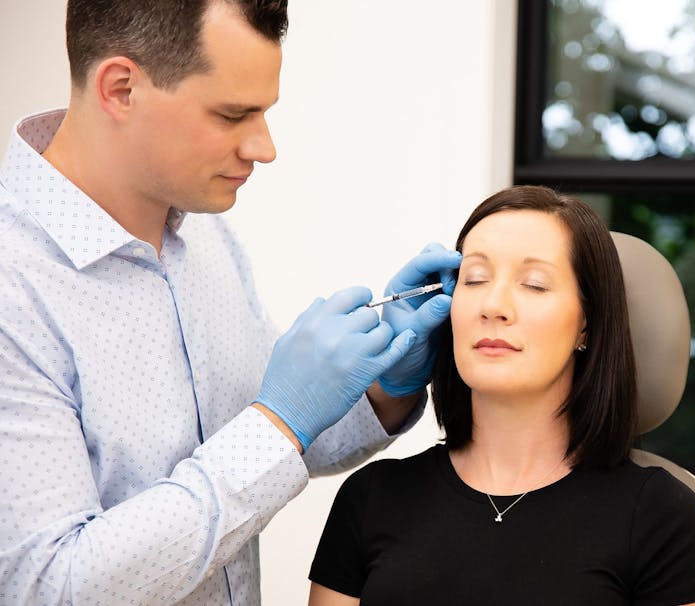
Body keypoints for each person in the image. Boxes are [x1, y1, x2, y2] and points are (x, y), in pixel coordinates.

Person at [0, 1, 461, 604]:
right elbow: (48, 586)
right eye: (232, 114)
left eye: (264, 113)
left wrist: (385, 385)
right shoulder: (14, 288)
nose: (264, 148)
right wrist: (281, 419)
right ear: (120, 89)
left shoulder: (206, 236)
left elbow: (277, 447)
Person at [308, 185, 695, 606]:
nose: (493, 305)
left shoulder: (659, 513)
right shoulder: (373, 497)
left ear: (586, 324)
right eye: (475, 279)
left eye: (534, 284)